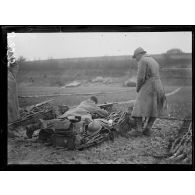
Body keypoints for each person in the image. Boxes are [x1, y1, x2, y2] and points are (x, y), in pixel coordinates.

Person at [26, 96, 109, 138]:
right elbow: (105, 113)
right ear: (94, 101)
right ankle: (48, 129)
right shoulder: (92, 104)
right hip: (78, 117)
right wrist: (101, 109)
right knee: (75, 126)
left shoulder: (82, 103)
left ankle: (36, 126)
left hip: (68, 114)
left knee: (60, 121)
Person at [130, 47, 168, 136]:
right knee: (155, 108)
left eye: (135, 57)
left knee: (138, 108)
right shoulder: (153, 60)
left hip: (149, 85)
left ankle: (138, 130)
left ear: (139, 54)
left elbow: (140, 78)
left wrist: (138, 88)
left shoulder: (142, 61)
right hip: (159, 85)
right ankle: (148, 129)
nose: (136, 59)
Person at [7, 47, 21, 137]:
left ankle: (10, 128)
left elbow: (14, 64)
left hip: (9, 80)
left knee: (11, 106)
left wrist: (12, 75)